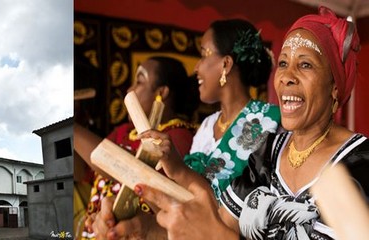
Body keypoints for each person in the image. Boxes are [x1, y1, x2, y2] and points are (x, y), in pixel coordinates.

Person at [137, 6, 369, 240]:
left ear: (334, 88)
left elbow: (217, 235)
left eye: (305, 64)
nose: (287, 77)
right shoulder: (268, 152)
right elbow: (216, 225)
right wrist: (141, 229)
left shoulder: (359, 162)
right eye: (283, 63)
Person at [91, 19, 282, 239]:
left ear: (226, 65)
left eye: (203, 55)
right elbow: (182, 210)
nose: (196, 67)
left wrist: (178, 169)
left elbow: (231, 216)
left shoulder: (270, 122)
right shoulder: (207, 127)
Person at [74, 56, 199, 239]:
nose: (130, 89)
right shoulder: (124, 131)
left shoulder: (178, 135)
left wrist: (71, 127)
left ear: (161, 92)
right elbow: (83, 170)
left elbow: (126, 168)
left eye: (139, 81)